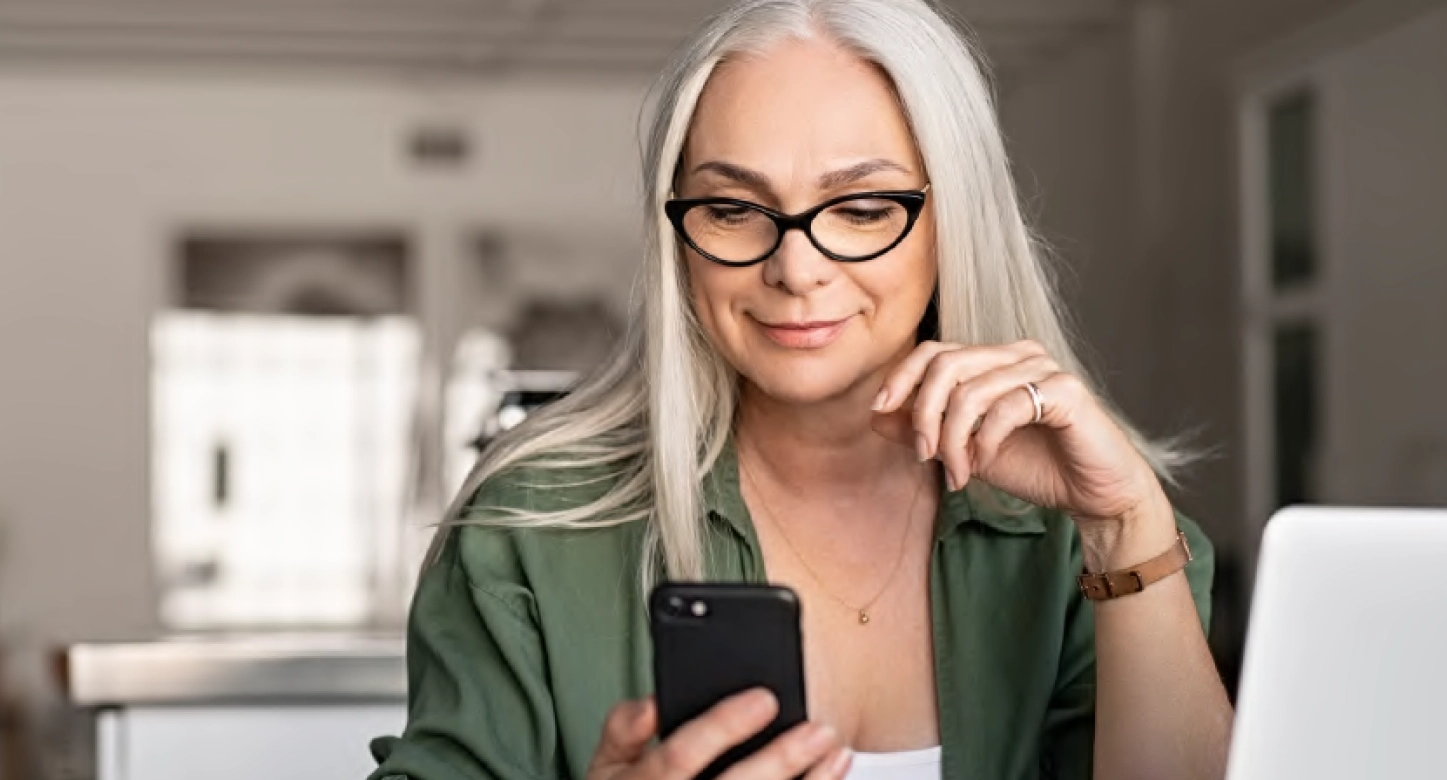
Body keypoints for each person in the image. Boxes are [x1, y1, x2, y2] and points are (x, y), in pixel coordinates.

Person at [368, 1, 1233, 778]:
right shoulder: (528, 530)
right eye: (732, 209)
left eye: (860, 210)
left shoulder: (1090, 537)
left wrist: (1125, 529)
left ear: (954, 223)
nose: (795, 268)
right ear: (676, 235)